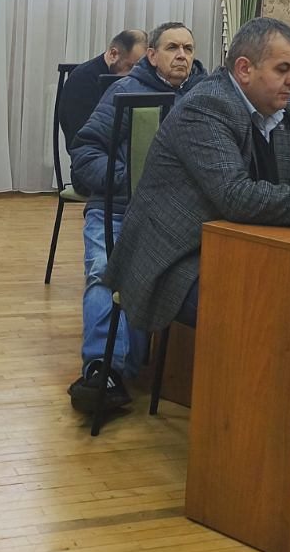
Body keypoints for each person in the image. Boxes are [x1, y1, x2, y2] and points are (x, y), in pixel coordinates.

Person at [102, 17, 290, 360]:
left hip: (238, 246)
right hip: (176, 257)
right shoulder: (205, 107)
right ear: (244, 69)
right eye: (283, 69)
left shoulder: (286, 109)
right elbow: (237, 196)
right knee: (271, 307)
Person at [66, 21, 206, 413]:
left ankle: (141, 364)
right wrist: (134, 179)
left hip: (177, 220)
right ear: (152, 55)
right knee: (104, 270)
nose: (182, 55)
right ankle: (103, 370)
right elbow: (85, 154)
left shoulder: (205, 99)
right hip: (118, 209)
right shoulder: (124, 91)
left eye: (188, 48)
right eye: (173, 47)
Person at [57, 28, 146, 150]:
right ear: (113, 54)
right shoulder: (82, 80)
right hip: (92, 155)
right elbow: (79, 141)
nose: (134, 74)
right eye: (130, 67)